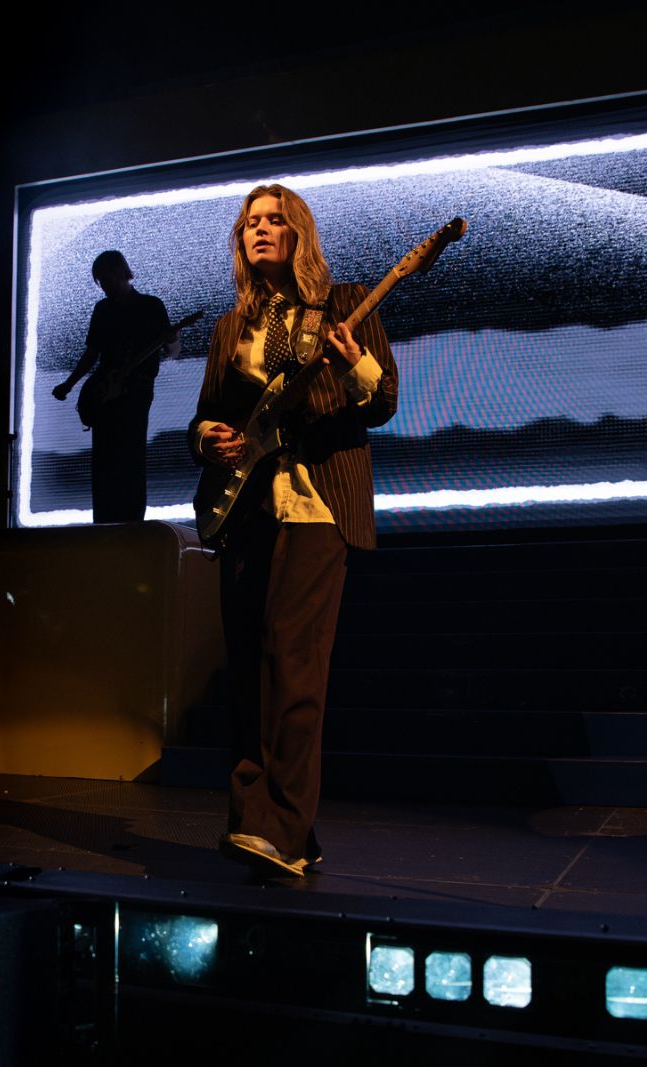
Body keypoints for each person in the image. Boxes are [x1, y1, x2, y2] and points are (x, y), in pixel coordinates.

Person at [190, 184, 398, 877]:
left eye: (275, 219)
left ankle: (285, 822)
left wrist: (353, 362)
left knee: (293, 661)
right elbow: (207, 415)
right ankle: (264, 827)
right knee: (248, 665)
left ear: (299, 232)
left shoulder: (346, 304)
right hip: (246, 511)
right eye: (251, 222)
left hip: (316, 507)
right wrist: (208, 437)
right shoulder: (231, 328)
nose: (261, 230)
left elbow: (384, 400)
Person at [52, 250, 179, 523]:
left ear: (122, 272)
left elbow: (172, 350)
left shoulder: (151, 306)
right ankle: (105, 524)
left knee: (131, 459)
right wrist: (70, 384)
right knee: (105, 462)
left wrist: (171, 340)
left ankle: (132, 526)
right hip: (105, 395)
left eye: (107, 278)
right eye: (100, 281)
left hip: (136, 395)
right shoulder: (103, 310)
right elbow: (92, 354)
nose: (104, 285)